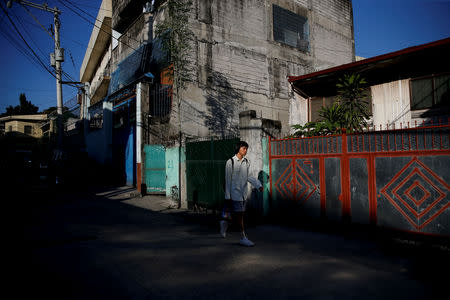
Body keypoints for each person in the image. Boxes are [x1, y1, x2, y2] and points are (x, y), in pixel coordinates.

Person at [220, 141, 263, 246]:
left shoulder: (246, 162)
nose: (245, 150)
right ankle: (243, 237)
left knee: (237, 215)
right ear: (238, 148)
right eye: (244, 148)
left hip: (243, 194)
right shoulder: (230, 162)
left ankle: (224, 223)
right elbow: (227, 180)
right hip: (234, 193)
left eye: (246, 148)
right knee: (240, 216)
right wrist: (228, 196)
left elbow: (248, 176)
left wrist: (258, 185)